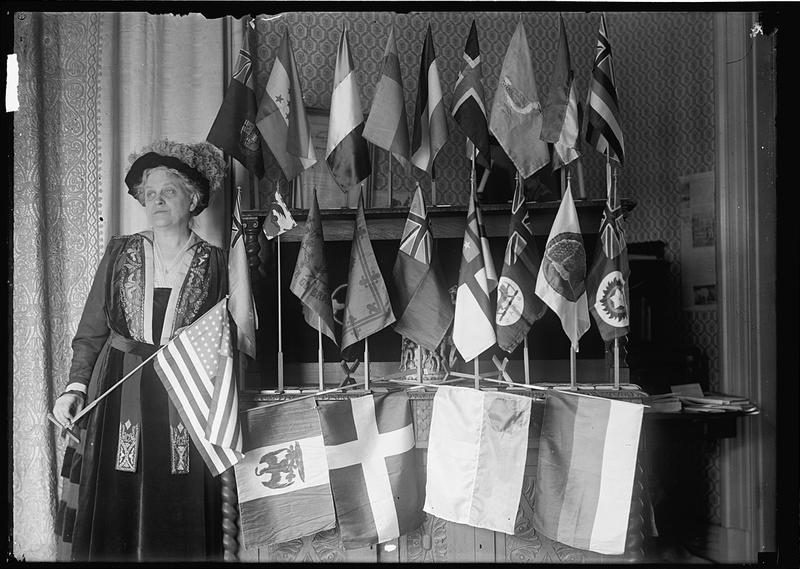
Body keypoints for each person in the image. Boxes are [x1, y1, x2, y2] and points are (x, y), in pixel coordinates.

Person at [51, 139, 230, 561]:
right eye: (149, 194)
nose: (156, 201)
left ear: (194, 198)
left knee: (179, 501)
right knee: (116, 497)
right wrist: (74, 387)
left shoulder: (218, 261)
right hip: (119, 390)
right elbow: (92, 330)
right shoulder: (120, 252)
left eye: (168, 191)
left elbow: (233, 339)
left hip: (185, 396)